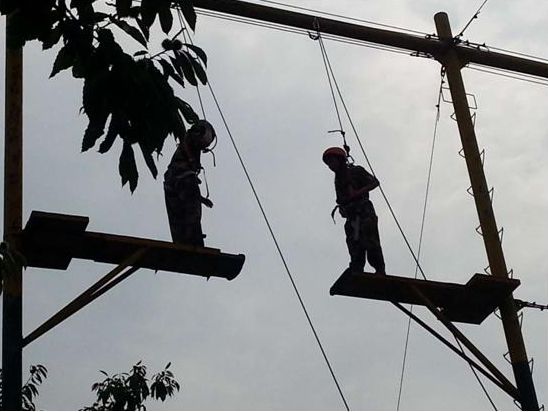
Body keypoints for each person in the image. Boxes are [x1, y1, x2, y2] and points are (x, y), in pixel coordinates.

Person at [322, 147, 386, 275]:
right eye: (328, 164)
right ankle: (357, 268)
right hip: (351, 215)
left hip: (364, 211)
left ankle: (379, 269)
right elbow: (341, 199)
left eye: (332, 161)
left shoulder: (356, 171)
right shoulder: (338, 179)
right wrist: (342, 208)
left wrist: (358, 193)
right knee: (354, 242)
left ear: (340, 160)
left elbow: (374, 182)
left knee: (370, 239)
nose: (330, 166)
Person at [164, 120, 216, 246]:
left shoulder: (190, 147)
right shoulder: (189, 139)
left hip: (172, 180)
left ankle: (183, 241)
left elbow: (189, 196)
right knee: (190, 214)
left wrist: (201, 199)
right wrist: (192, 161)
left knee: (179, 213)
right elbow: (186, 138)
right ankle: (192, 240)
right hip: (180, 176)